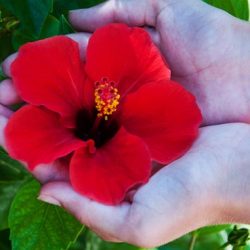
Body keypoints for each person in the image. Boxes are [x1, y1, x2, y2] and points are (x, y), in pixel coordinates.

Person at [1, 0, 250, 247]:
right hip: (66, 126)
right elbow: (41, 63)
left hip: (110, 151)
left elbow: (174, 125)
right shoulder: (99, 98)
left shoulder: (131, 115)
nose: (105, 101)